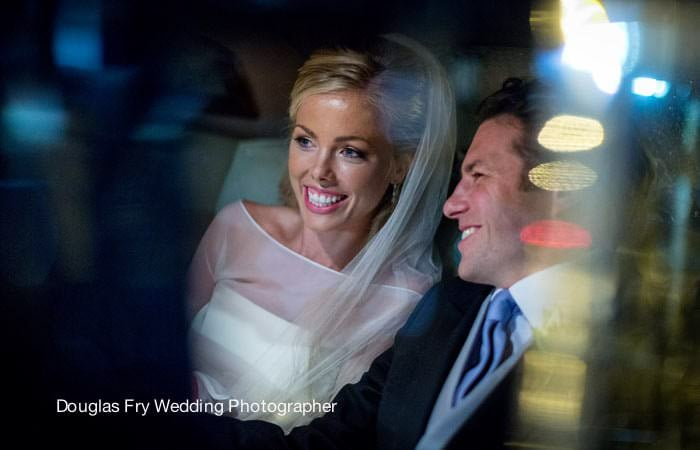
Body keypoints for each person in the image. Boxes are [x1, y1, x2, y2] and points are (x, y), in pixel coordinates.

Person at [194, 77, 653, 448]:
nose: (452, 206)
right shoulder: (447, 309)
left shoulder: (634, 355)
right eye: (305, 141)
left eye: (477, 176)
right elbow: (327, 441)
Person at [186, 35, 456, 431]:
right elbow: (157, 356)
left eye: (351, 151)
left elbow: (341, 434)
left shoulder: (405, 302)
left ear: (400, 167)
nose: (319, 172)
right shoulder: (236, 226)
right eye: (306, 141)